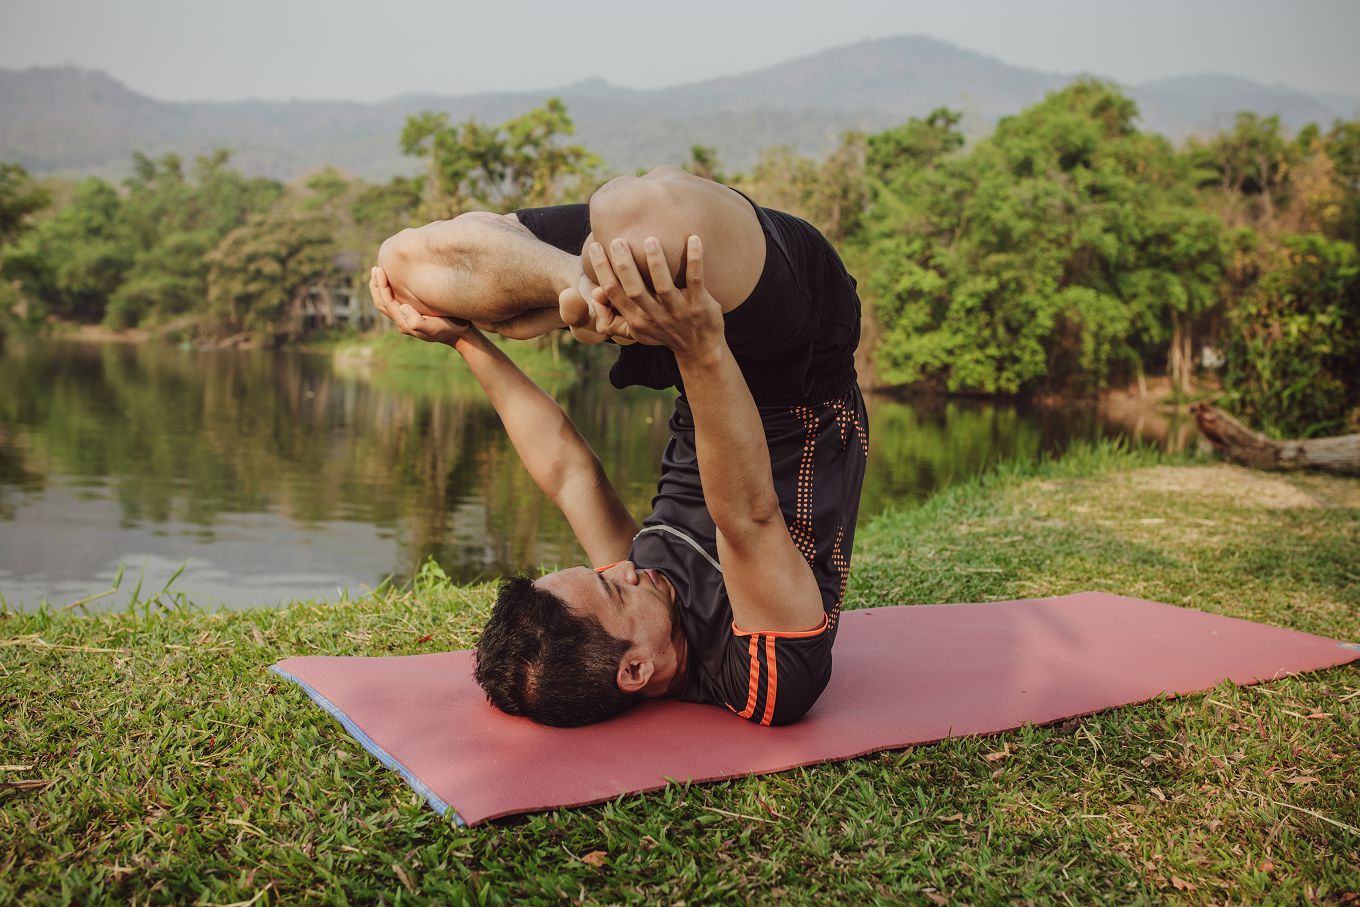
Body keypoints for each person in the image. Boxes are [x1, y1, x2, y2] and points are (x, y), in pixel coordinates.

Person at [370, 166, 867, 727]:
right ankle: (608, 289)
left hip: (675, 339)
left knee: (406, 269)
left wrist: (464, 339)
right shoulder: (761, 674)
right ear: (634, 671)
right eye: (613, 588)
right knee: (641, 211)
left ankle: (589, 290)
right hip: (796, 354)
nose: (624, 569)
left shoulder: (639, 592)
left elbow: (569, 474)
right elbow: (748, 518)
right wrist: (701, 345)